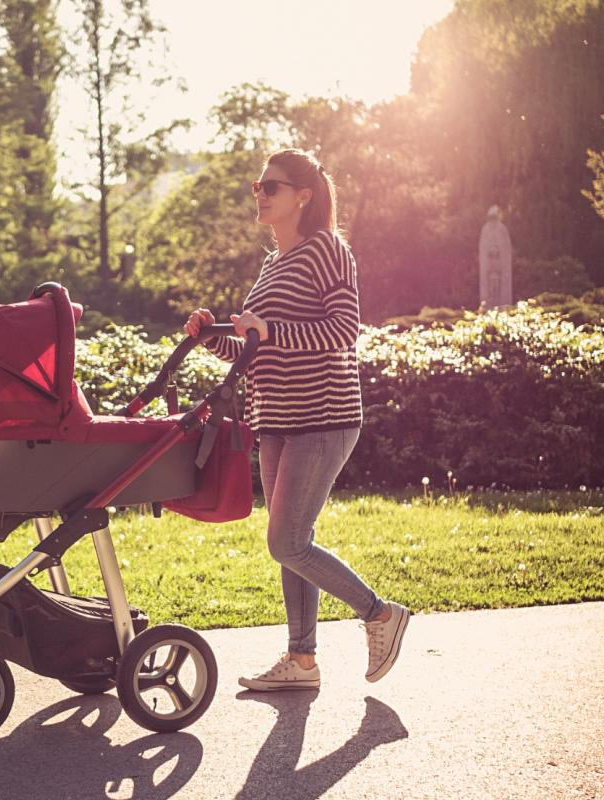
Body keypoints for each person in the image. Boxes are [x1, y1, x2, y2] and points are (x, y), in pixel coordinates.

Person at [184, 148, 409, 691]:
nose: (260, 194)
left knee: (286, 542)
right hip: (278, 418)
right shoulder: (273, 263)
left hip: (325, 416)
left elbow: (342, 332)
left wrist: (268, 330)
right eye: (257, 186)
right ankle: (302, 661)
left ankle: (380, 614)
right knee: (294, 539)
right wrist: (211, 336)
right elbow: (255, 350)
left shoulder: (328, 250)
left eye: (272, 186)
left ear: (303, 196)